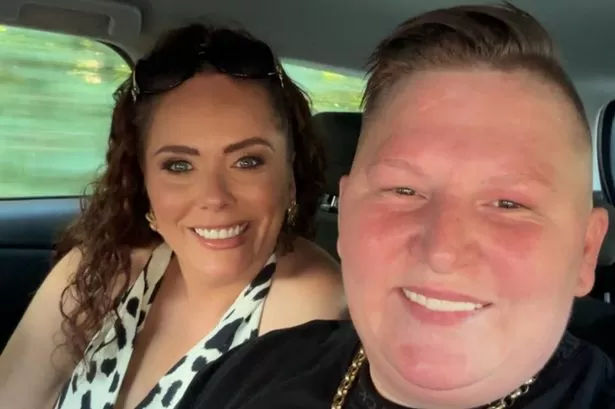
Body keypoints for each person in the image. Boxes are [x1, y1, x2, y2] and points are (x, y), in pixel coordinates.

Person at [169, 4, 615, 409]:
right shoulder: (248, 373)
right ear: (345, 218)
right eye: (403, 191)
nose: (442, 252)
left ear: (585, 250)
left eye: (509, 203)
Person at [0, 23, 345, 409]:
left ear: (289, 175)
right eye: (179, 165)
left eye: (247, 161)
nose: (214, 198)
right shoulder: (101, 269)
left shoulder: (309, 305)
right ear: (142, 179)